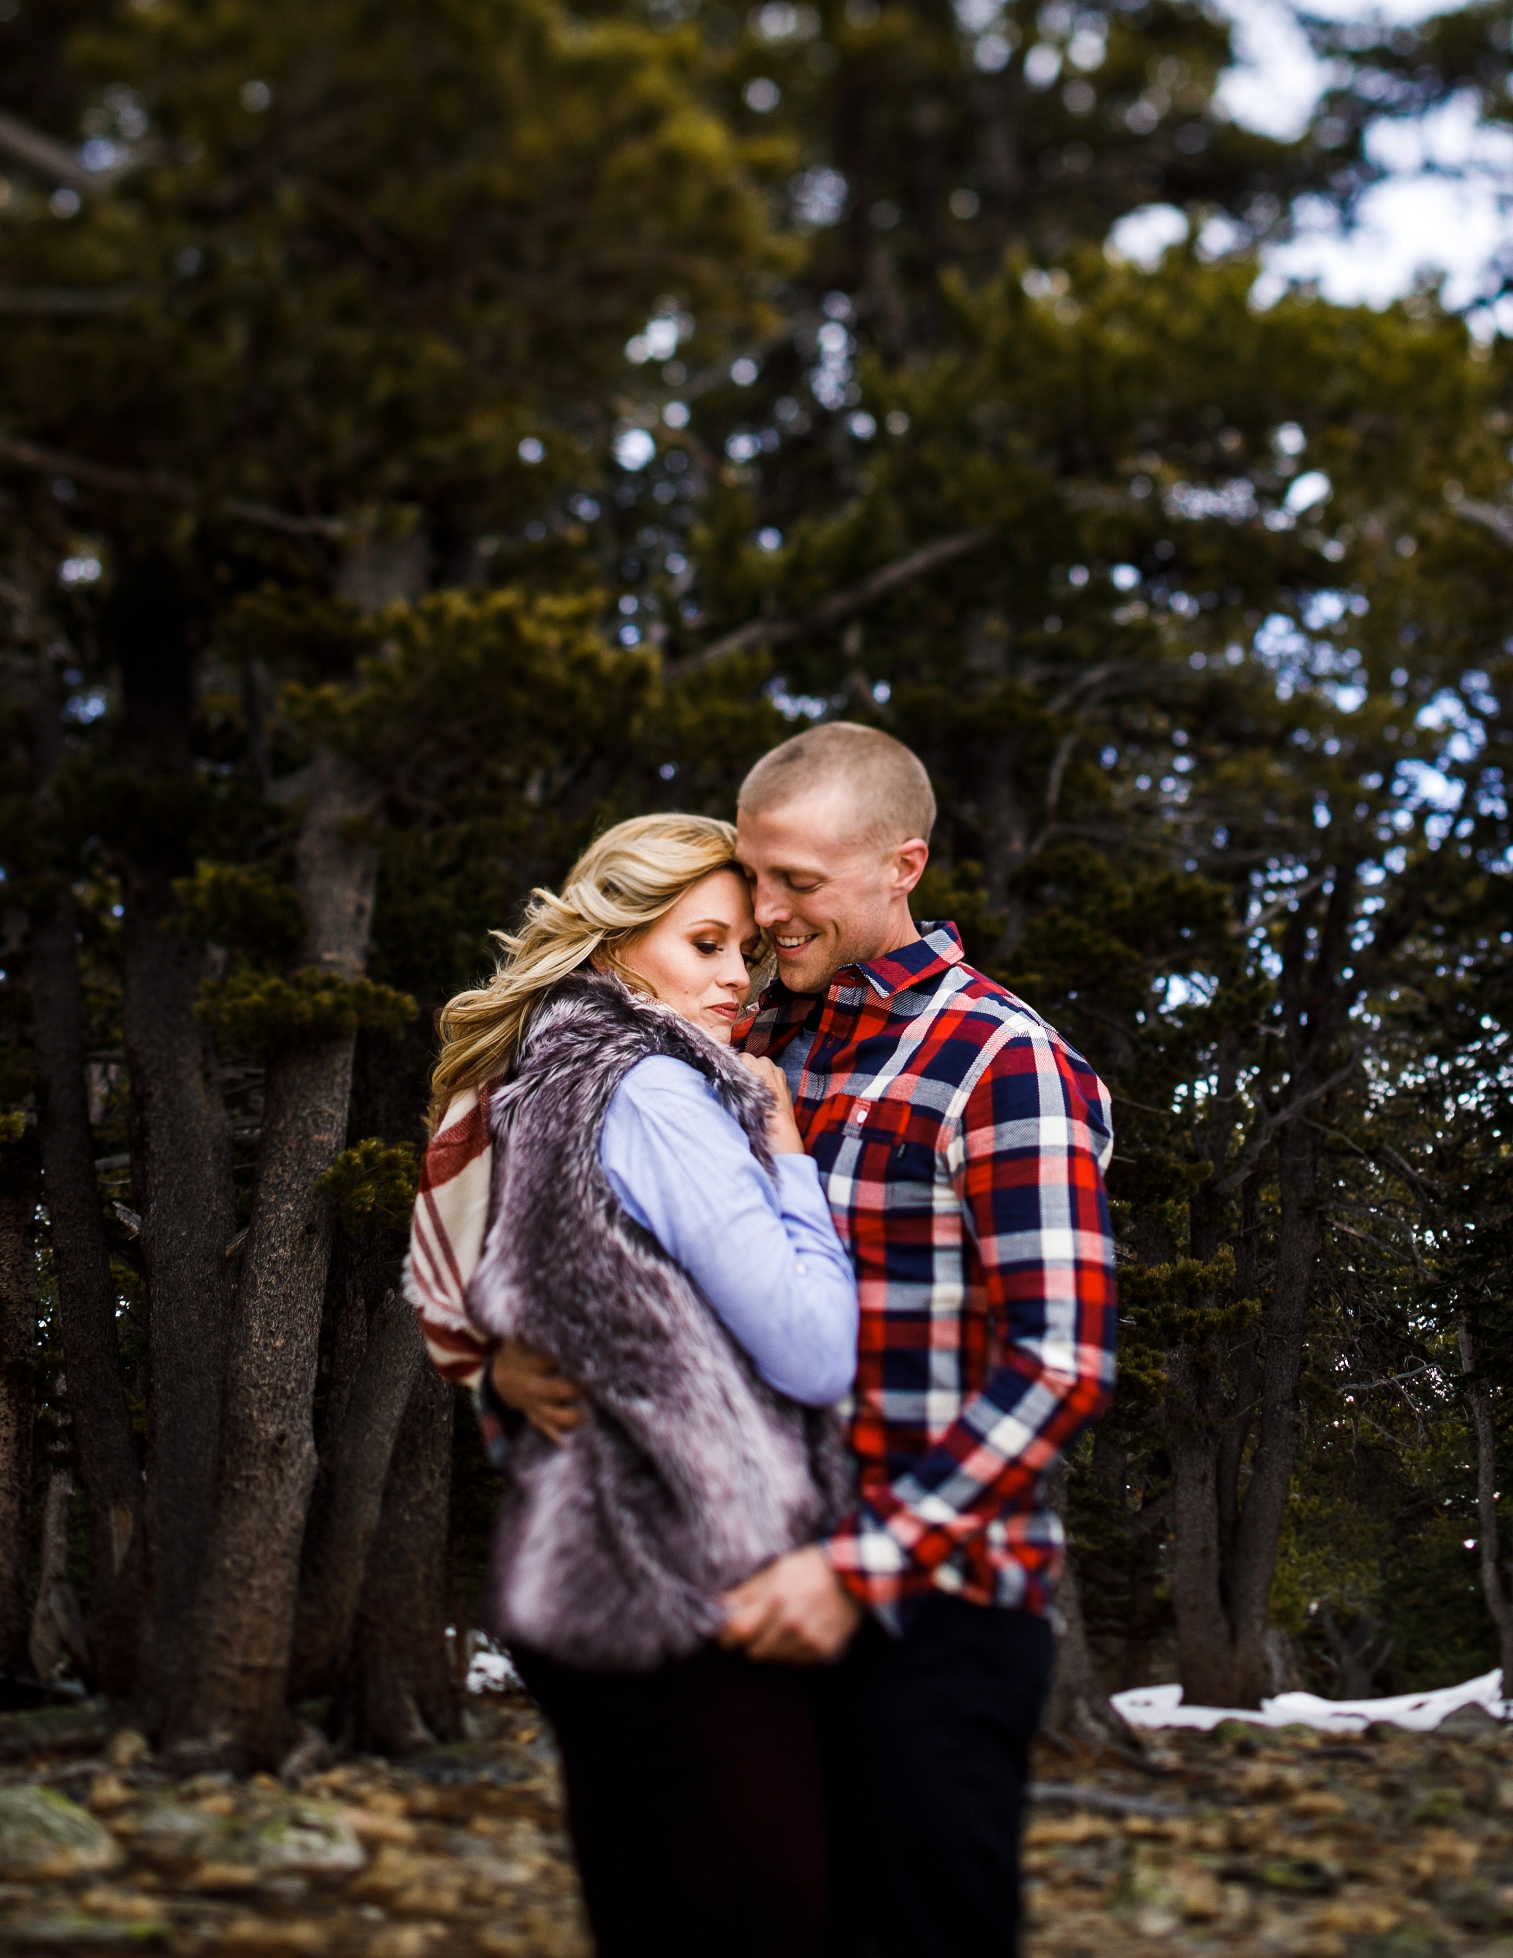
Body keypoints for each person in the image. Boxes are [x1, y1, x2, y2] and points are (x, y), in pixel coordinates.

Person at [496, 724, 1120, 1958]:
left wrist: (858, 1567)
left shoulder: (1003, 1062)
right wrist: (507, 1369)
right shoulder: (744, 1034)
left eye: (797, 880)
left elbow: (1060, 1359)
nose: (766, 910)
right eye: (754, 873)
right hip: (746, 1594)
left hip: (927, 1604)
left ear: (902, 864)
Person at [414, 812, 858, 1958]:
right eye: (704, 944)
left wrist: (499, 1367)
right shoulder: (658, 1089)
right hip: (690, 1584)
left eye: (745, 954)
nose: (735, 982)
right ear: (613, 948)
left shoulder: (529, 1080)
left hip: (579, 1588)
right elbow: (811, 1349)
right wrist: (791, 1157)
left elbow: (482, 1275)